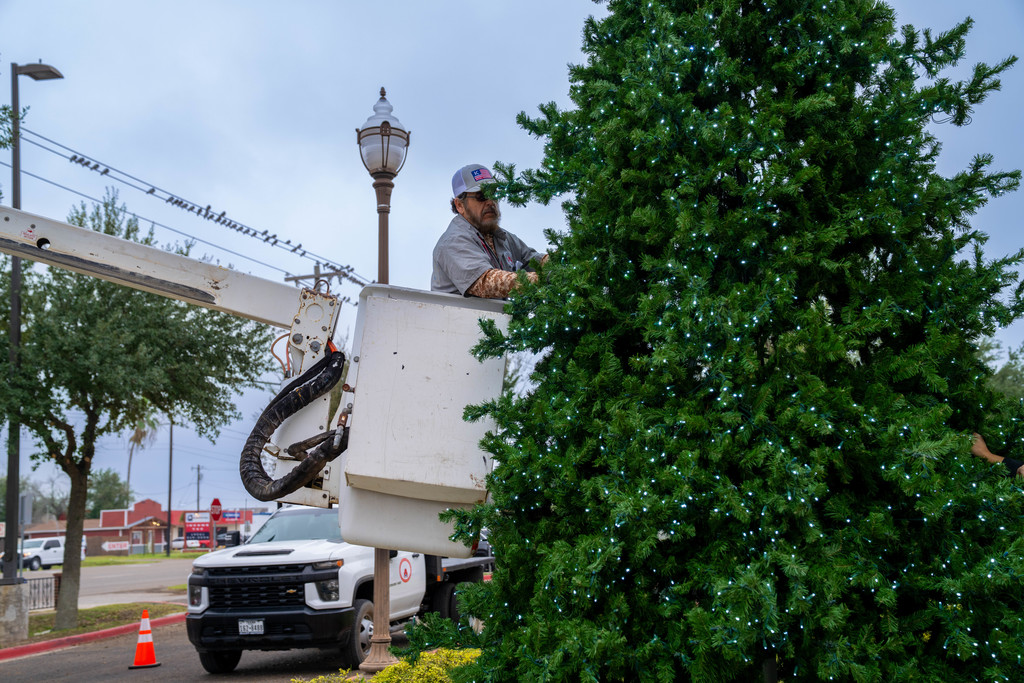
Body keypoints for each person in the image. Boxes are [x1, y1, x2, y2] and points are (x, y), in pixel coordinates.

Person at [431, 164, 548, 298]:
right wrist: (542, 279)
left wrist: (563, 261)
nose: (490, 201)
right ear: (459, 205)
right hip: (460, 319)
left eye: (493, 194)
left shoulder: (503, 237)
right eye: (481, 196)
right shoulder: (453, 241)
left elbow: (534, 260)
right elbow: (485, 282)